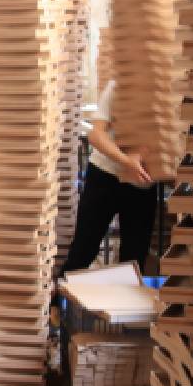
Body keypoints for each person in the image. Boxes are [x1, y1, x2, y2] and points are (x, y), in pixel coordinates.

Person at [61, 79, 158, 273]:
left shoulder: (169, 96)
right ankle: (62, 292)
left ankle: (125, 295)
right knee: (83, 251)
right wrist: (126, 161)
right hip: (104, 174)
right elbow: (96, 135)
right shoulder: (118, 87)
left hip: (142, 184)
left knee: (134, 260)